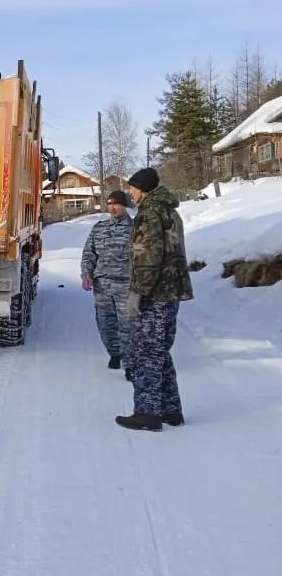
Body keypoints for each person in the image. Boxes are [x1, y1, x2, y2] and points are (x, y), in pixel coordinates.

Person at [116, 168, 194, 432]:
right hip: (171, 291)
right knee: (160, 351)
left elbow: (149, 256)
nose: (130, 192)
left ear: (144, 189)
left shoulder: (149, 213)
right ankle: (171, 410)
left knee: (146, 353)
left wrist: (138, 291)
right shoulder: (169, 210)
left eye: (133, 188)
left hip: (155, 292)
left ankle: (147, 413)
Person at [80, 190, 134, 378]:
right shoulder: (99, 228)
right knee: (105, 324)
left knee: (127, 326)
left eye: (116, 204)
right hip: (102, 285)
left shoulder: (135, 228)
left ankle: (130, 365)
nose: (112, 207)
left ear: (124, 205)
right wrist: (86, 274)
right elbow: (89, 254)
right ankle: (115, 354)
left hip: (126, 285)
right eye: (109, 204)